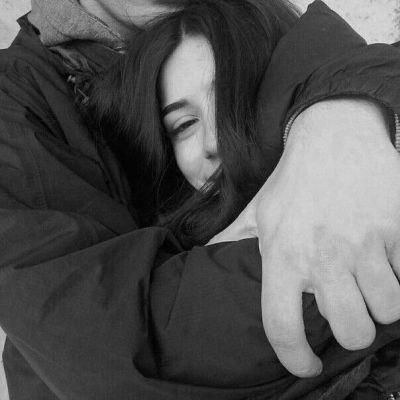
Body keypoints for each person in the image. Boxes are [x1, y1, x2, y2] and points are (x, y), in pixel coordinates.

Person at [0, 0, 400, 398]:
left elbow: (338, 65)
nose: (215, 141)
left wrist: (350, 109)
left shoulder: (252, 23)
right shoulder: (17, 102)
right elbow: (116, 351)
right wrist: (344, 254)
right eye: (183, 124)